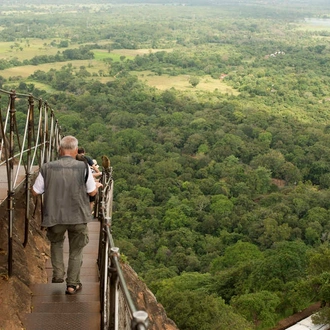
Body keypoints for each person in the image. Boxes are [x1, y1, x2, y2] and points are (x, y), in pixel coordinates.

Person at [32, 135, 102, 295]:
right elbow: (92, 191)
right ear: (76, 150)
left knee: (56, 244)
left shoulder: (47, 167)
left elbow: (35, 191)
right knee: (76, 250)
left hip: (54, 215)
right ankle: (72, 284)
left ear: (60, 150)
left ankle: (57, 274)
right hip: (78, 215)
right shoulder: (83, 168)